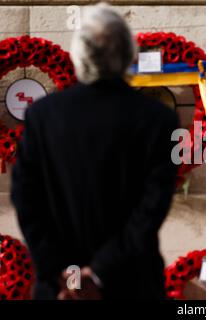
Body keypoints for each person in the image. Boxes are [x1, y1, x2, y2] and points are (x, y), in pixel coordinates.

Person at [11, 3, 179, 299]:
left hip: (61, 286)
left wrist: (68, 276)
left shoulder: (42, 115)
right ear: (129, 54)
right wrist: (96, 274)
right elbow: (150, 209)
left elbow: (26, 199)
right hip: (130, 282)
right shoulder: (157, 119)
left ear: (78, 56)